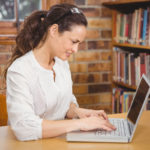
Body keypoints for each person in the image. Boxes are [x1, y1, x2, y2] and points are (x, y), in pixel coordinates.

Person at [5, 3, 116, 141]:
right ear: (54, 30)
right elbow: (24, 128)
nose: (76, 50)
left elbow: (65, 102)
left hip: (57, 141)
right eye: (73, 41)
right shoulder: (19, 71)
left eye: (79, 44)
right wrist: (80, 123)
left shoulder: (61, 63)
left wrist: (79, 112)